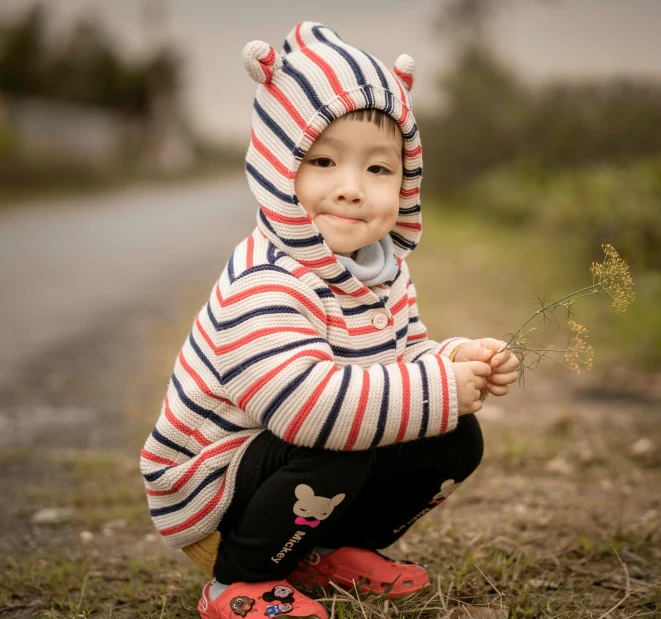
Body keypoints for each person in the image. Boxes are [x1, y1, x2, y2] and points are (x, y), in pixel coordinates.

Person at [140, 21, 520, 619]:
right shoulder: (266, 279)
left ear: (407, 182)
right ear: (277, 170)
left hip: (305, 466)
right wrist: (435, 388)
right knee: (340, 437)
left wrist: (452, 361)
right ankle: (234, 581)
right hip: (214, 487)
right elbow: (304, 406)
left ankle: (325, 551)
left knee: (453, 434)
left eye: (378, 170)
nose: (351, 189)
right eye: (322, 161)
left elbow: (404, 359)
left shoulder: (380, 270)